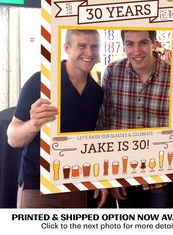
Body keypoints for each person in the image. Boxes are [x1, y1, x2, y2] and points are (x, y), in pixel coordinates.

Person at [97, 30, 173, 208]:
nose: (136, 50)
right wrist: (108, 175)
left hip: (161, 177)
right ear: (123, 45)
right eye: (130, 43)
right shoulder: (112, 73)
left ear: (154, 42)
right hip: (123, 174)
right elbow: (103, 126)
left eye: (143, 42)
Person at [7, 29, 110, 208]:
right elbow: (13, 138)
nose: (89, 52)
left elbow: (95, 140)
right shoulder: (41, 82)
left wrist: (101, 177)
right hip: (37, 185)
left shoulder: (97, 92)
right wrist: (34, 124)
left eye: (94, 47)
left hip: (77, 184)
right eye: (82, 46)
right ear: (67, 48)